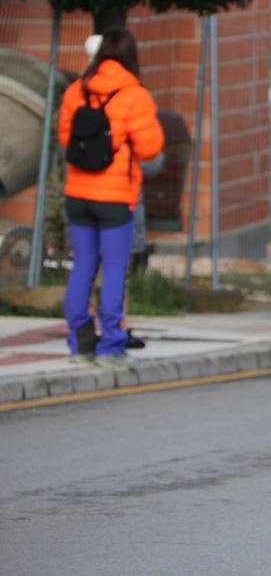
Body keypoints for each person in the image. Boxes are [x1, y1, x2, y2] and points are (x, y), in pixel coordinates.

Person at [58, 29, 165, 368]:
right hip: (116, 197)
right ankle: (112, 345)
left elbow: (65, 139)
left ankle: (80, 342)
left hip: (78, 193)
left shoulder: (76, 90)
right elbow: (150, 149)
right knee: (115, 269)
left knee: (83, 267)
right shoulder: (134, 95)